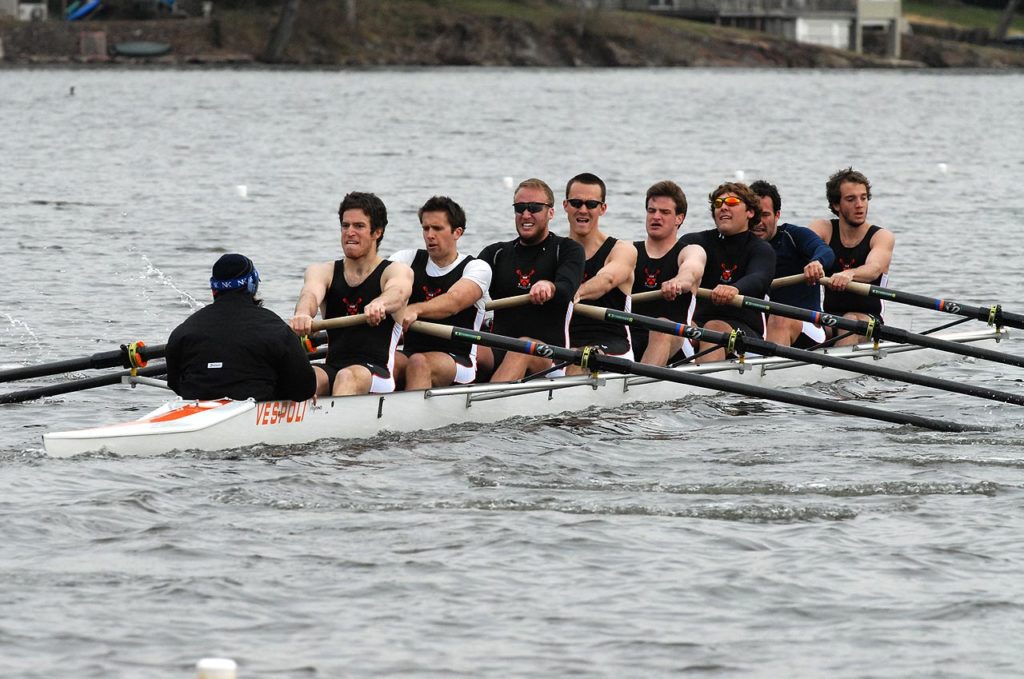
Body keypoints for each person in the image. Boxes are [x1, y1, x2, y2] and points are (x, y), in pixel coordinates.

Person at [290, 191, 413, 396]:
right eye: (345, 226)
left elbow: (398, 292)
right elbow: (310, 294)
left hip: (377, 372)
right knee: (304, 375)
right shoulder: (323, 271)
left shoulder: (396, 271)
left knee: (347, 376)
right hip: (334, 367)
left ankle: (334, 428)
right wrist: (303, 313)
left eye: (359, 226)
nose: (350, 232)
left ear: (377, 232)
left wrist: (380, 304)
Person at [166, 253, 316, 402]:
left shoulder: (183, 331)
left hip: (195, 406)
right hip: (253, 410)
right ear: (252, 284)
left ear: (213, 289)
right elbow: (304, 389)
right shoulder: (275, 328)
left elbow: (174, 383)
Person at [478, 178, 585, 382]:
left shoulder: (568, 250)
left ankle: (484, 409)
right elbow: (466, 286)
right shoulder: (495, 253)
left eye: (534, 208)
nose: (526, 214)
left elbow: (566, 289)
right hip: (499, 349)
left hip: (550, 357)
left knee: (523, 347)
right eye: (520, 208)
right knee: (470, 347)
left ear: (551, 212)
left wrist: (549, 287)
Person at [389, 196, 492, 389]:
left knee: (419, 362)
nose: (429, 235)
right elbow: (390, 288)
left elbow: (454, 301)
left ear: (457, 232)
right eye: (425, 228)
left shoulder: (477, 268)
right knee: (385, 361)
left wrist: (415, 309)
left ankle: (412, 417)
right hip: (412, 352)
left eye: (437, 229)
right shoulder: (406, 259)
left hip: (459, 359)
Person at [681, 182, 776, 363]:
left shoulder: (761, 249)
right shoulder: (694, 241)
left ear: (750, 212)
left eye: (732, 202)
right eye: (718, 204)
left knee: (714, 328)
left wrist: (735, 289)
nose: (723, 207)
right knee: (672, 326)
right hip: (698, 325)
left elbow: (759, 278)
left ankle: (702, 388)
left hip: (745, 331)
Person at [808, 167, 895, 346]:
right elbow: (804, 247)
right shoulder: (823, 229)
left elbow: (874, 269)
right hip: (831, 317)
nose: (859, 205)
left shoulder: (881, 236)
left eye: (863, 198)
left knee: (848, 321)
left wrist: (850, 274)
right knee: (795, 322)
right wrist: (812, 263)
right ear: (836, 205)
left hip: (868, 319)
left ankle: (835, 373)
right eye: (851, 199)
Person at [563, 173, 637, 374]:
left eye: (591, 204)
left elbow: (606, 280)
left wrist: (573, 293)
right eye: (576, 203)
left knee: (579, 357)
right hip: (563, 344)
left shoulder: (621, 250)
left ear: (602, 209)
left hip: (611, 345)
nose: (583, 210)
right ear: (565, 206)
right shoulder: (556, 250)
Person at [750, 179, 835, 348]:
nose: (759, 222)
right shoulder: (741, 244)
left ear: (777, 215)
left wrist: (816, 263)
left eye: (765, 215)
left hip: (808, 325)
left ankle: (772, 373)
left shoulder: (793, 236)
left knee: (779, 319)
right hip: (760, 328)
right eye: (755, 214)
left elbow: (825, 251)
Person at [631, 180, 706, 366]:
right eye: (651, 211)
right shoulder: (628, 251)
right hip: (629, 337)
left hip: (676, 341)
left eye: (664, 212)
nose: (656, 217)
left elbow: (691, 270)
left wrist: (678, 282)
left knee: (661, 326)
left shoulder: (690, 251)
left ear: (679, 218)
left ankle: (641, 391)